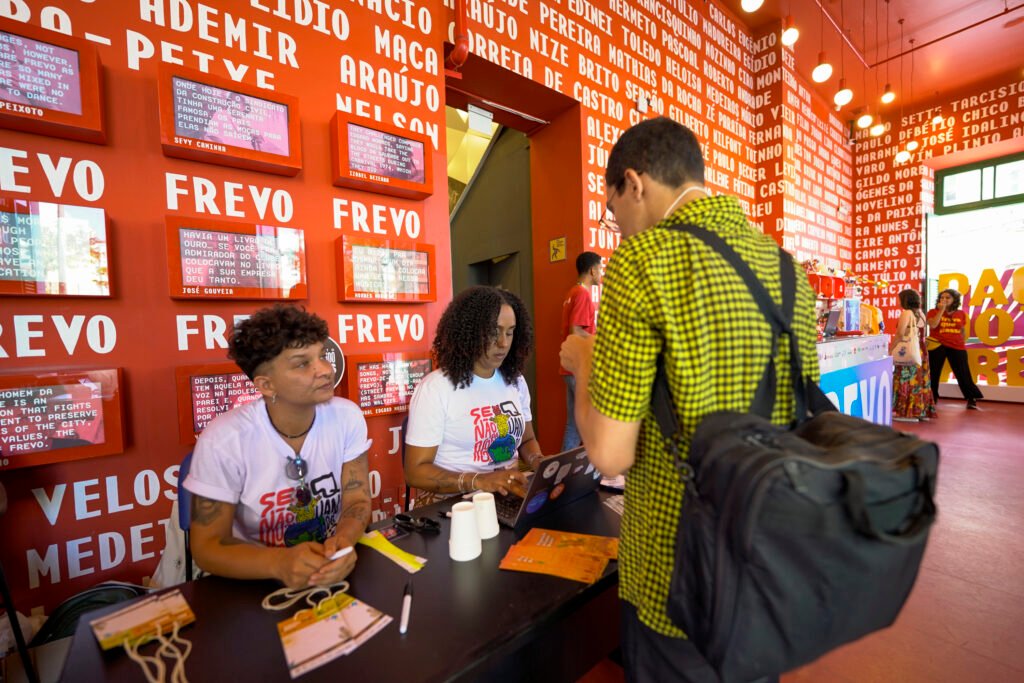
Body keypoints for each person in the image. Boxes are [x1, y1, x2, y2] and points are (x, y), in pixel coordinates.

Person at [560, 117, 819, 683]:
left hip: (675, 576)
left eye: (612, 209)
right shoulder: (786, 270)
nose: (617, 226)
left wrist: (584, 362)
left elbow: (610, 454)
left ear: (634, 183)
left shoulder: (642, 261)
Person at [184, 305, 371, 589]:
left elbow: (357, 499)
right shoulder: (223, 440)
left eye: (322, 355)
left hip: (329, 571)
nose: (324, 370)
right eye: (302, 363)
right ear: (266, 385)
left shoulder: (348, 416)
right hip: (252, 582)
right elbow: (207, 547)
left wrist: (342, 544)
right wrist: (279, 563)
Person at [405, 286, 541, 506]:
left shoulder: (515, 381)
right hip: (452, 504)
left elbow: (527, 440)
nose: (503, 343)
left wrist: (538, 462)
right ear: (469, 332)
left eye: (509, 332)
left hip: (505, 497)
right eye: (494, 332)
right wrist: (479, 480)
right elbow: (415, 472)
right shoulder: (436, 388)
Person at [560, 251, 602, 451]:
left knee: (574, 425)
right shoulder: (582, 294)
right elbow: (575, 330)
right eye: (600, 269)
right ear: (592, 270)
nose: (601, 273)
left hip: (569, 369)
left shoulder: (571, 293)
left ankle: (563, 468)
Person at [927, 288, 983, 409]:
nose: (944, 299)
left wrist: (960, 341)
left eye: (948, 297)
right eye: (942, 297)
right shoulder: (933, 312)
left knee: (963, 373)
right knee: (934, 373)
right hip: (937, 345)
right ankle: (932, 398)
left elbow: (962, 330)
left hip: (956, 345)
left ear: (954, 300)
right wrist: (941, 310)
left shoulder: (961, 313)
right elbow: (933, 325)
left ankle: (971, 398)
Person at [890, 289, 937, 422]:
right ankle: (920, 410)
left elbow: (900, 334)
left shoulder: (907, 313)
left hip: (908, 351)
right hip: (920, 351)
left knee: (906, 379)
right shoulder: (921, 314)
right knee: (919, 381)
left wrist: (891, 349)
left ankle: (906, 412)